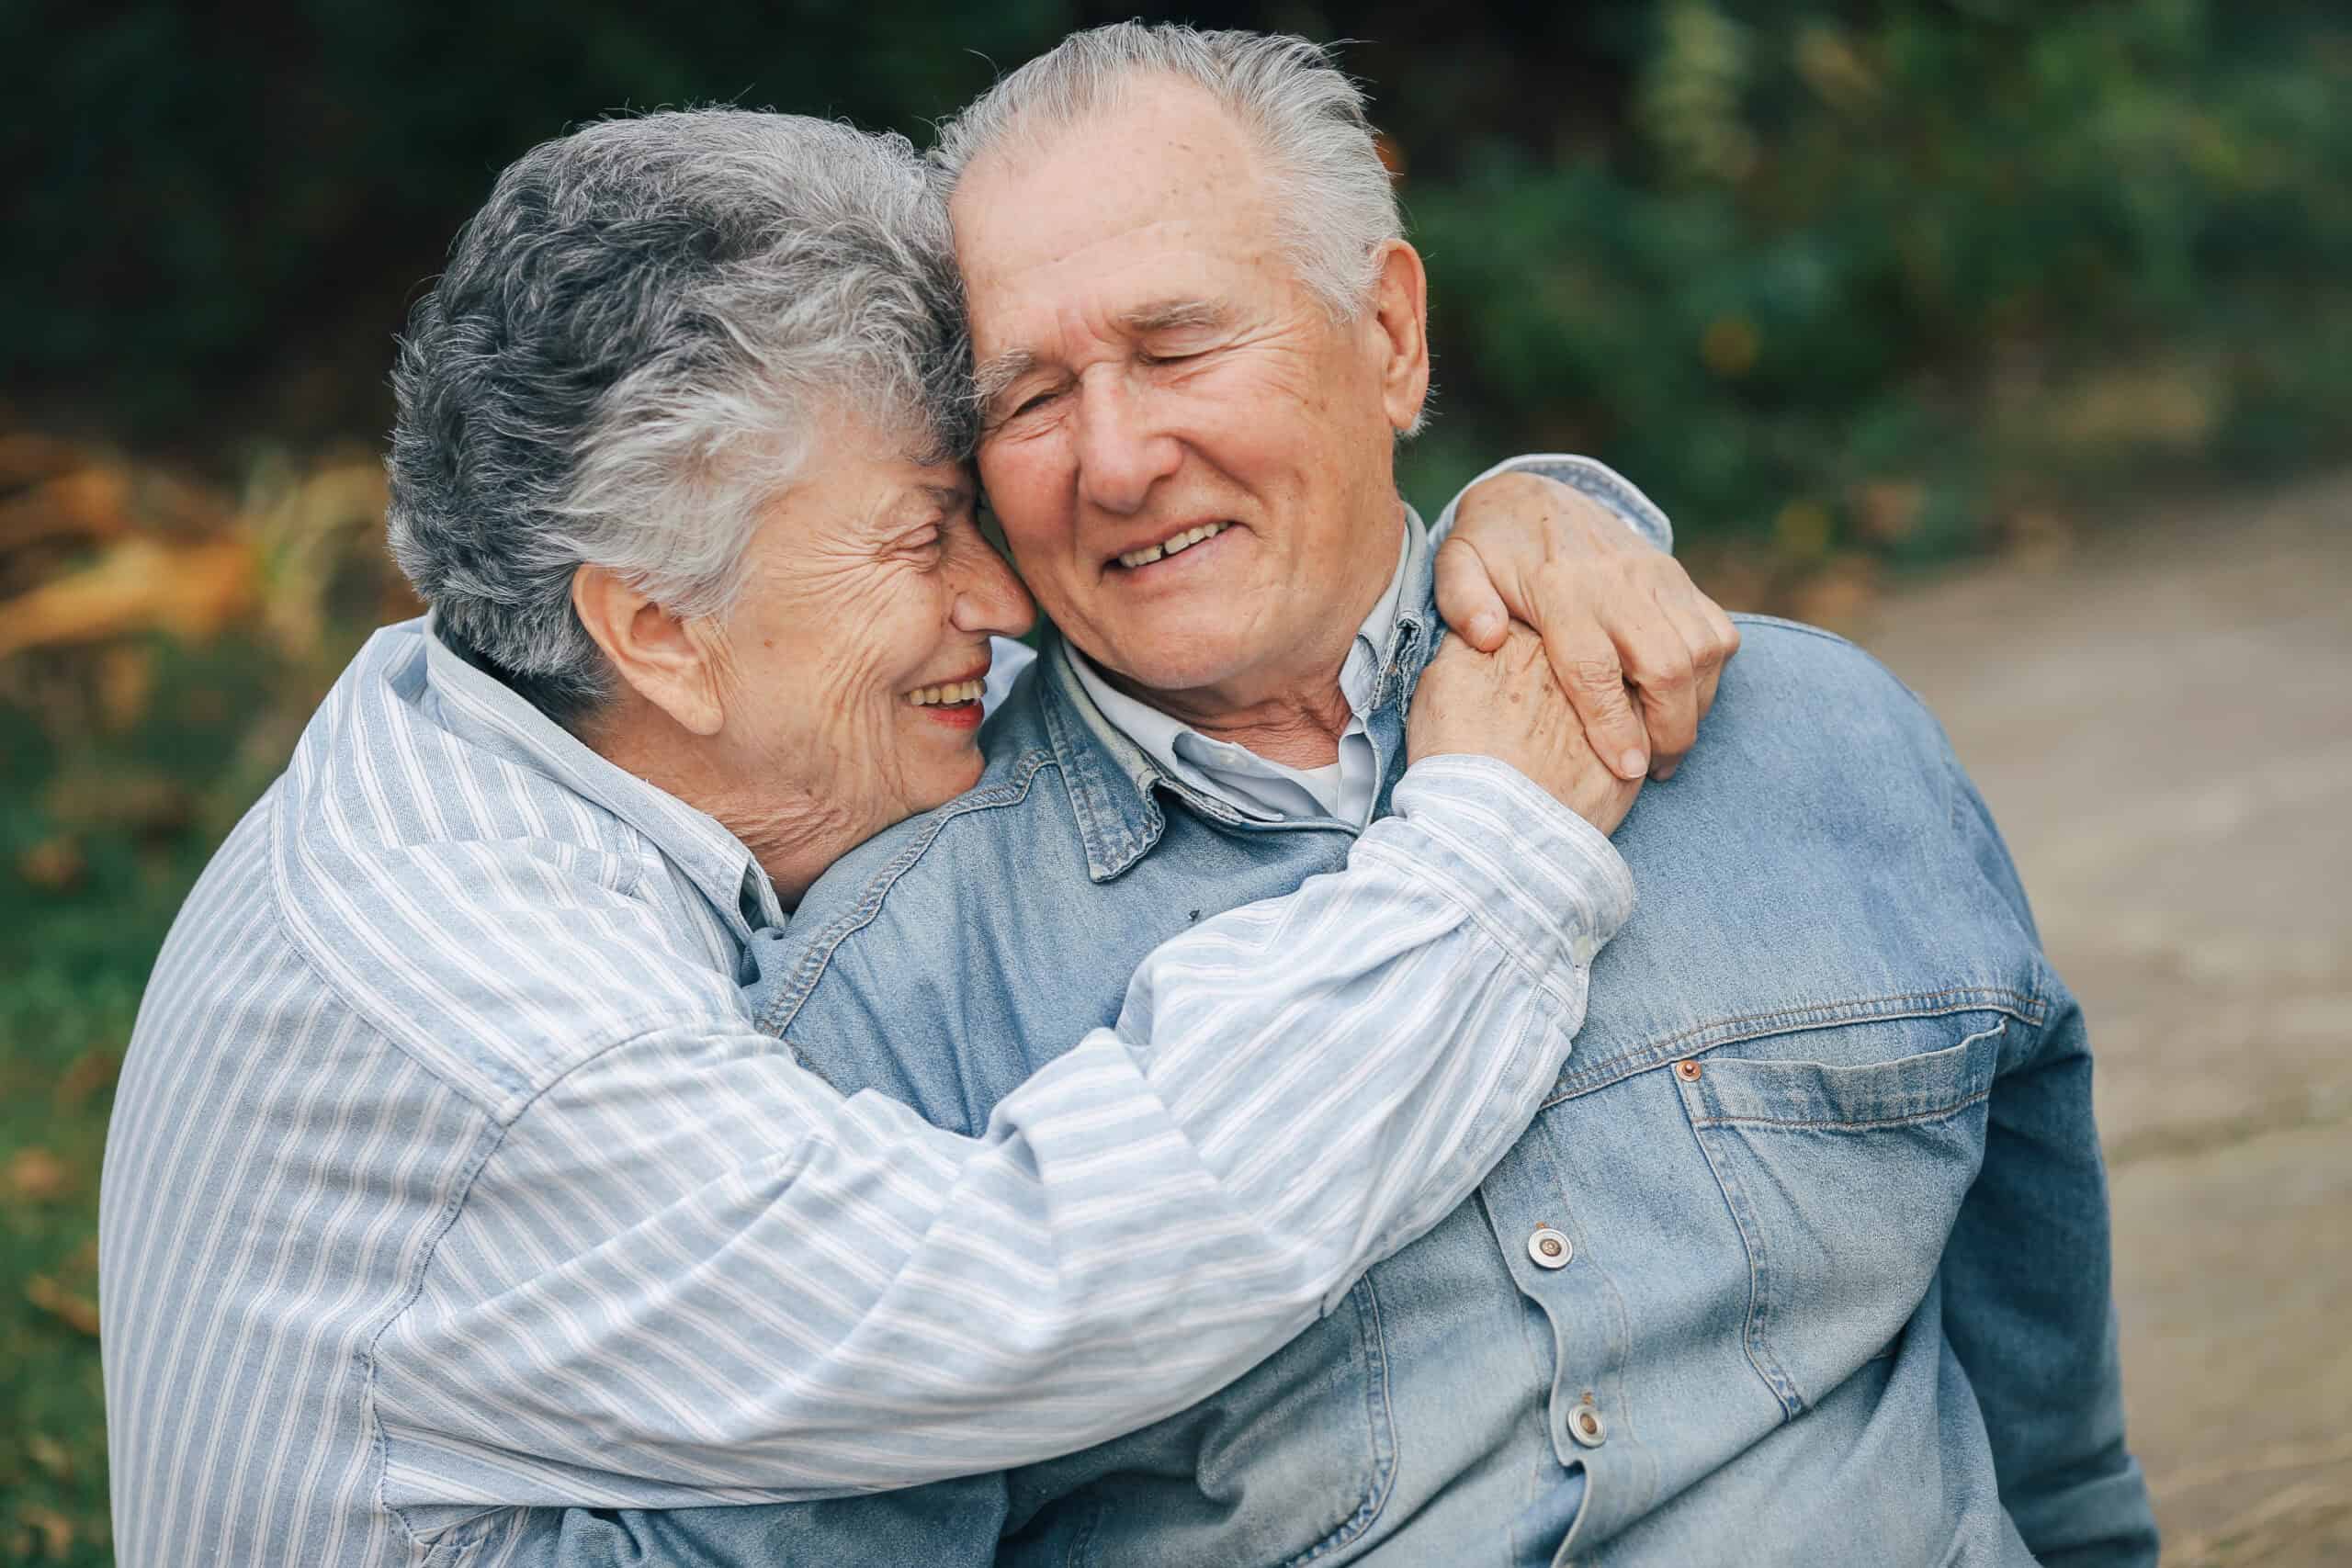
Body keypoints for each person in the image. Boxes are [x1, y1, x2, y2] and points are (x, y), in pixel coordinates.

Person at [96, 109, 1734, 1564]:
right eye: (922, 534)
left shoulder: (554, 713)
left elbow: (1232, 603)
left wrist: (1515, 527)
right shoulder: (490, 1007)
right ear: (657, 625)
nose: (998, 598)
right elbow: (1040, 1294)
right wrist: (1493, 856)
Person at [660, 24, 2160, 1566]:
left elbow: (2037, 1356)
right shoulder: (892, 1005)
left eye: (1177, 349)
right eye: (1028, 398)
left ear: (1388, 335)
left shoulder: (1812, 742)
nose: (1115, 460)